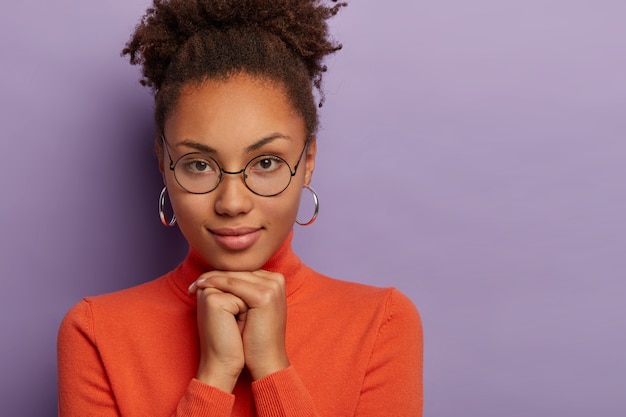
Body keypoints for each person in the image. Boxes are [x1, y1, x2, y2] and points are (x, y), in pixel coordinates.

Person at [57, 0, 423, 415]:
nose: (232, 203)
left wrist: (272, 370)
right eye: (198, 164)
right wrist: (215, 376)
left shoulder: (382, 324)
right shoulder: (95, 333)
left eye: (266, 163)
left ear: (308, 162)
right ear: (163, 162)